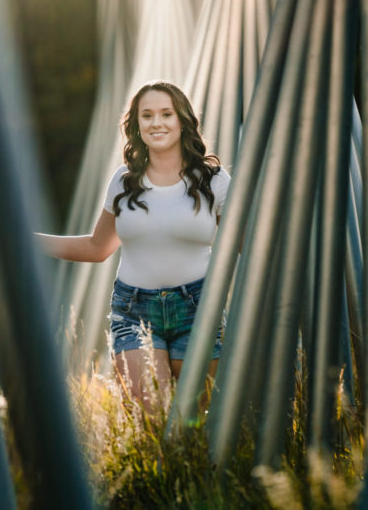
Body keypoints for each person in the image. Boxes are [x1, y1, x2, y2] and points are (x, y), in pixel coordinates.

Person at [37, 81, 230, 411]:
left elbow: (245, 245)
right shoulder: (124, 181)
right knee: (152, 420)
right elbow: (98, 248)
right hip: (134, 310)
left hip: (198, 308)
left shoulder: (213, 180)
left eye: (166, 114)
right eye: (147, 115)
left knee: (192, 425)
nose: (157, 123)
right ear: (137, 125)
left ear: (182, 120)